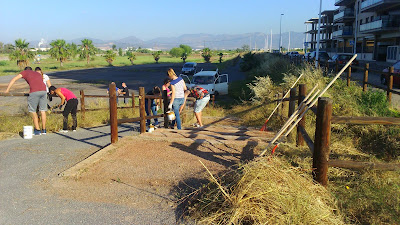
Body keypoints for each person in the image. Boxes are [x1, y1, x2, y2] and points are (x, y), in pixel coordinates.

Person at [5, 67, 47, 135]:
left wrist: (7, 90)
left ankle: (37, 130)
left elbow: (14, 79)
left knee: (33, 111)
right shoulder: (37, 73)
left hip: (34, 92)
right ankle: (44, 130)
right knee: (43, 110)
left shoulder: (25, 72)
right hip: (44, 91)